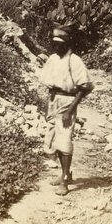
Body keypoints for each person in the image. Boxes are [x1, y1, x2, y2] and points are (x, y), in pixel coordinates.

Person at [37, 25, 94, 195]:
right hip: (53, 101)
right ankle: (65, 173)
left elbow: (85, 87)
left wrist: (70, 110)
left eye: (59, 43)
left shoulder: (74, 61)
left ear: (67, 43)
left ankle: (64, 180)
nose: (56, 47)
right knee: (53, 140)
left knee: (65, 141)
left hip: (67, 102)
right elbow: (48, 81)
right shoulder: (53, 59)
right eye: (54, 43)